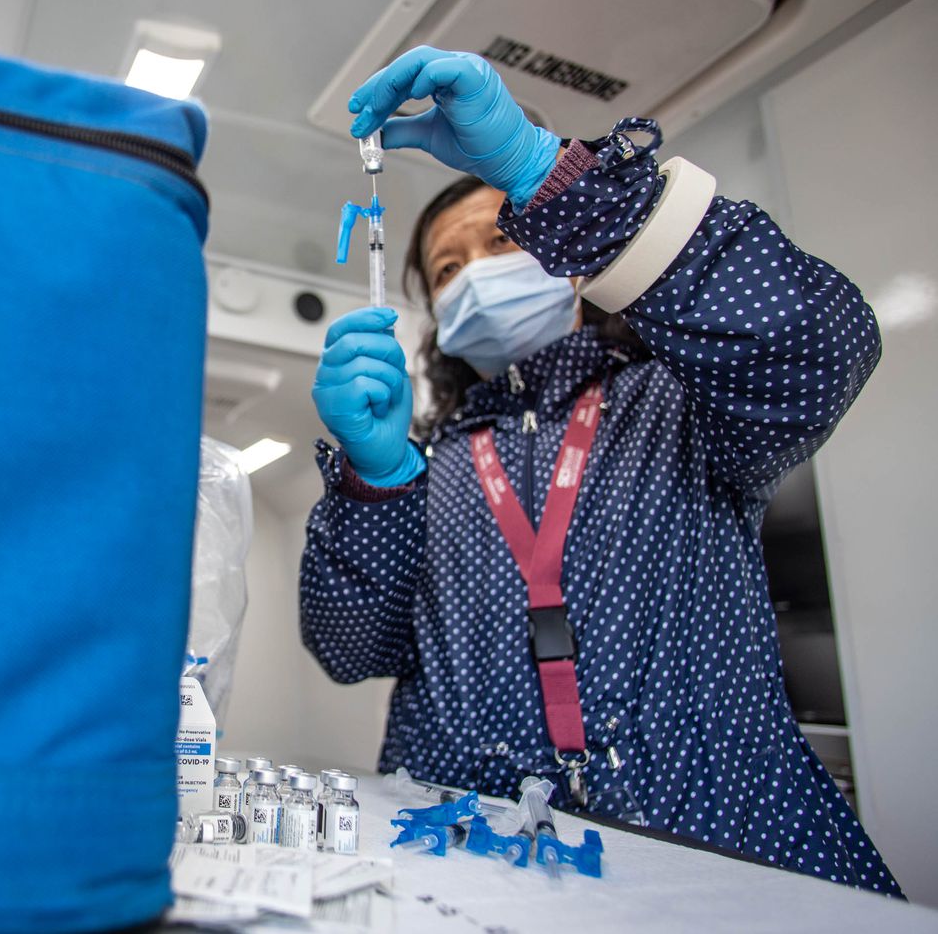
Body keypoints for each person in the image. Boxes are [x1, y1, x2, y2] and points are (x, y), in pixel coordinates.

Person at [300, 46, 901, 895]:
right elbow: (350, 649)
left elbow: (814, 350)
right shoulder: (429, 475)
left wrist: (551, 176)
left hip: (721, 842)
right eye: (446, 269)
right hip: (473, 853)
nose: (474, 274)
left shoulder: (683, 404)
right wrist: (375, 480)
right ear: (435, 314)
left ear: (562, 258)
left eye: (502, 237)